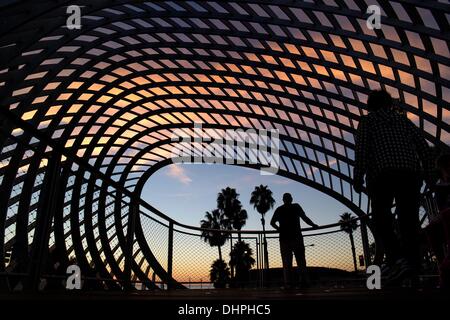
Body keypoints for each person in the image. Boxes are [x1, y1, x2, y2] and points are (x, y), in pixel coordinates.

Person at [353, 89, 434, 285]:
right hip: (410, 175)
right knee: (410, 223)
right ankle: (413, 269)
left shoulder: (367, 122)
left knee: (381, 219)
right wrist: (429, 175)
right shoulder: (404, 121)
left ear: (370, 105)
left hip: (383, 175)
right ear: (389, 103)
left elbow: (362, 151)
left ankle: (397, 260)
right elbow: (423, 148)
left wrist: (358, 177)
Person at [270, 193, 318, 288]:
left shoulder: (279, 209)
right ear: (291, 199)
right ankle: (303, 282)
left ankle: (289, 283)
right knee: (301, 261)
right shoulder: (296, 207)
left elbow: (272, 222)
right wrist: (313, 225)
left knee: (287, 262)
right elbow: (304, 218)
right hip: (296, 237)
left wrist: (279, 229)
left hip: (284, 238)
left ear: (283, 199)